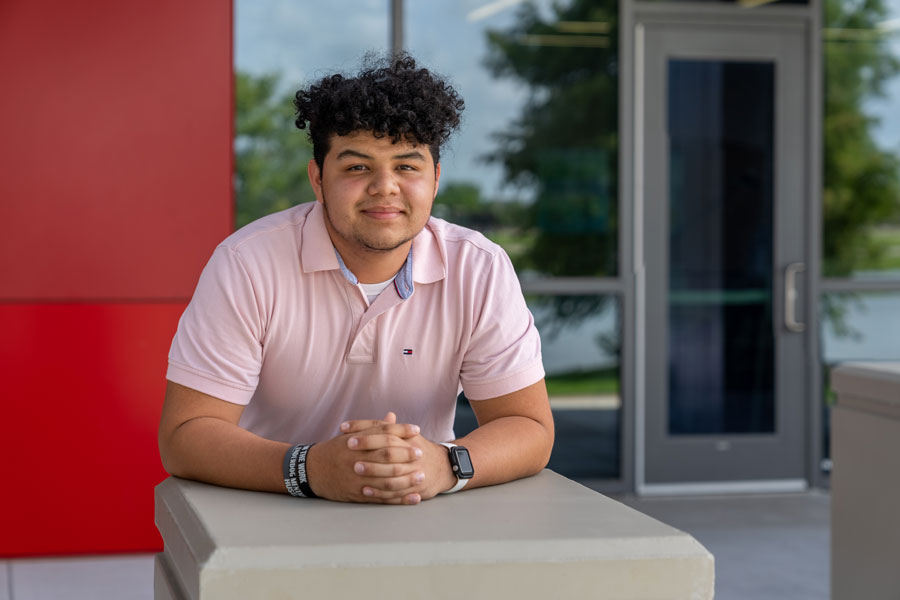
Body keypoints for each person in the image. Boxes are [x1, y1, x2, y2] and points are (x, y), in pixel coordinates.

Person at [158, 54, 554, 505]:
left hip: (423, 511)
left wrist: (443, 465)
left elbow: (530, 428)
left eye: (407, 166)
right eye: (357, 167)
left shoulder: (479, 267)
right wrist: (309, 470)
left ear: (436, 179)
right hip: (267, 507)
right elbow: (184, 435)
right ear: (318, 179)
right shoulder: (247, 263)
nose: (385, 186)